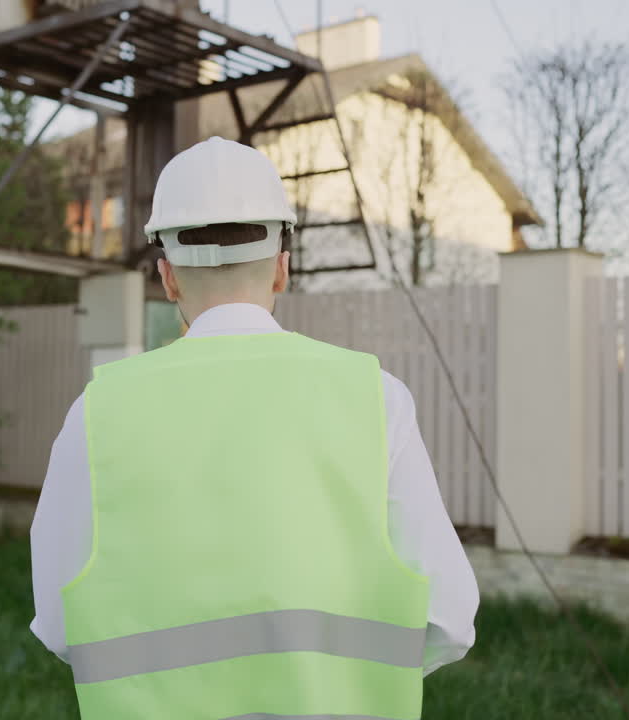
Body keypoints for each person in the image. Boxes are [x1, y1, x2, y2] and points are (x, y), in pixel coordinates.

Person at [30, 136, 478, 719]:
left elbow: (62, 624)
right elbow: (449, 618)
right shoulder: (375, 397)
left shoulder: (99, 410)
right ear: (282, 269)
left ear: (167, 277)